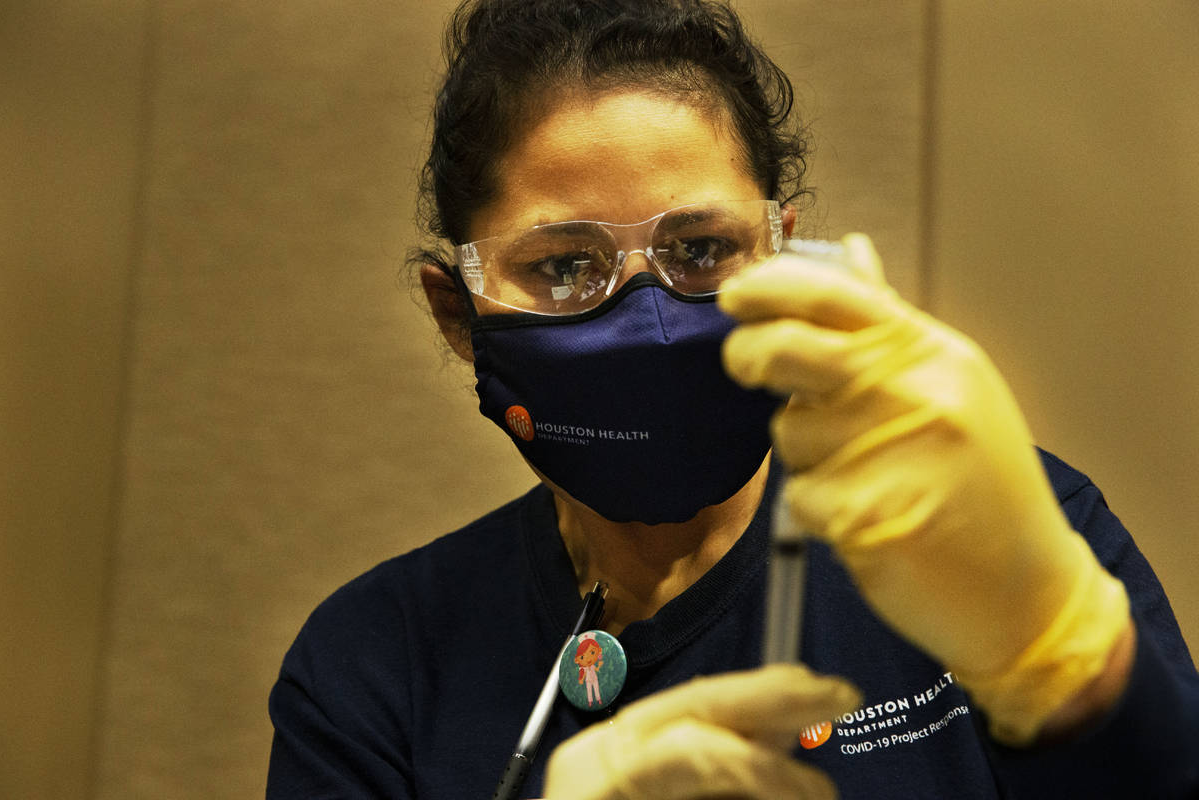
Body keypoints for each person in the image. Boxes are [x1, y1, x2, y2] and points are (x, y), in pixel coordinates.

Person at [266, 1, 1199, 797]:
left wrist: (1075, 670)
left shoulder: (989, 535)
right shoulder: (377, 666)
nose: (647, 319)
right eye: (564, 266)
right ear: (458, 313)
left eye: (701, 250)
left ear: (783, 252)